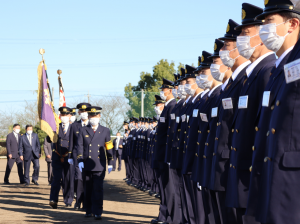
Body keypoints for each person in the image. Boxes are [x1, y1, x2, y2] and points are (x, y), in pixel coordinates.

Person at [226, 4, 276, 224]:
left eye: (246, 34)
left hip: (251, 173)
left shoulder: (268, 71)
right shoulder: (252, 74)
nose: (241, 41)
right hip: (241, 169)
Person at [252, 1, 300, 223]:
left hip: (292, 177)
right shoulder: (278, 68)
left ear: (292, 24)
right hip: (273, 172)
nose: (264, 29)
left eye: (269, 22)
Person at [76, 106, 113, 220]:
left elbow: (109, 147)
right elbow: (79, 146)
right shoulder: (83, 130)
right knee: (88, 188)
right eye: (91, 116)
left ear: (99, 116)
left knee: (98, 189)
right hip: (87, 163)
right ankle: (88, 209)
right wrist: (80, 160)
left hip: (99, 164)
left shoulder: (105, 130)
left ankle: (98, 211)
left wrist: (110, 161)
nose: (93, 118)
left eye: (95, 116)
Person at [152, 79, 176, 224]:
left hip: (166, 154)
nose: (162, 92)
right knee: (163, 188)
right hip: (162, 154)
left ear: (170, 90)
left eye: (164, 89)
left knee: (169, 188)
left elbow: (171, 133)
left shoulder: (172, 106)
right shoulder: (168, 107)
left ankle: (169, 217)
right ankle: (164, 215)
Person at [49, 106, 74, 208]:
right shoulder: (55, 127)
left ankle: (68, 200)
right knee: (56, 179)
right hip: (57, 157)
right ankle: (53, 199)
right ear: (59, 116)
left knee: (67, 179)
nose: (64, 116)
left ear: (70, 116)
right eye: (62, 115)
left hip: (69, 157)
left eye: (66, 115)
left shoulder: (74, 128)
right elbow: (50, 140)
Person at [68, 102, 91, 210]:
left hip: (90, 157)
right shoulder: (74, 126)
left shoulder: (93, 126)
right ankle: (78, 201)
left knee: (88, 180)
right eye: (82, 111)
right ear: (78, 112)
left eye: (85, 111)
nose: (83, 113)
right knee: (79, 179)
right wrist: (70, 156)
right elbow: (71, 142)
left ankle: (87, 203)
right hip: (78, 157)